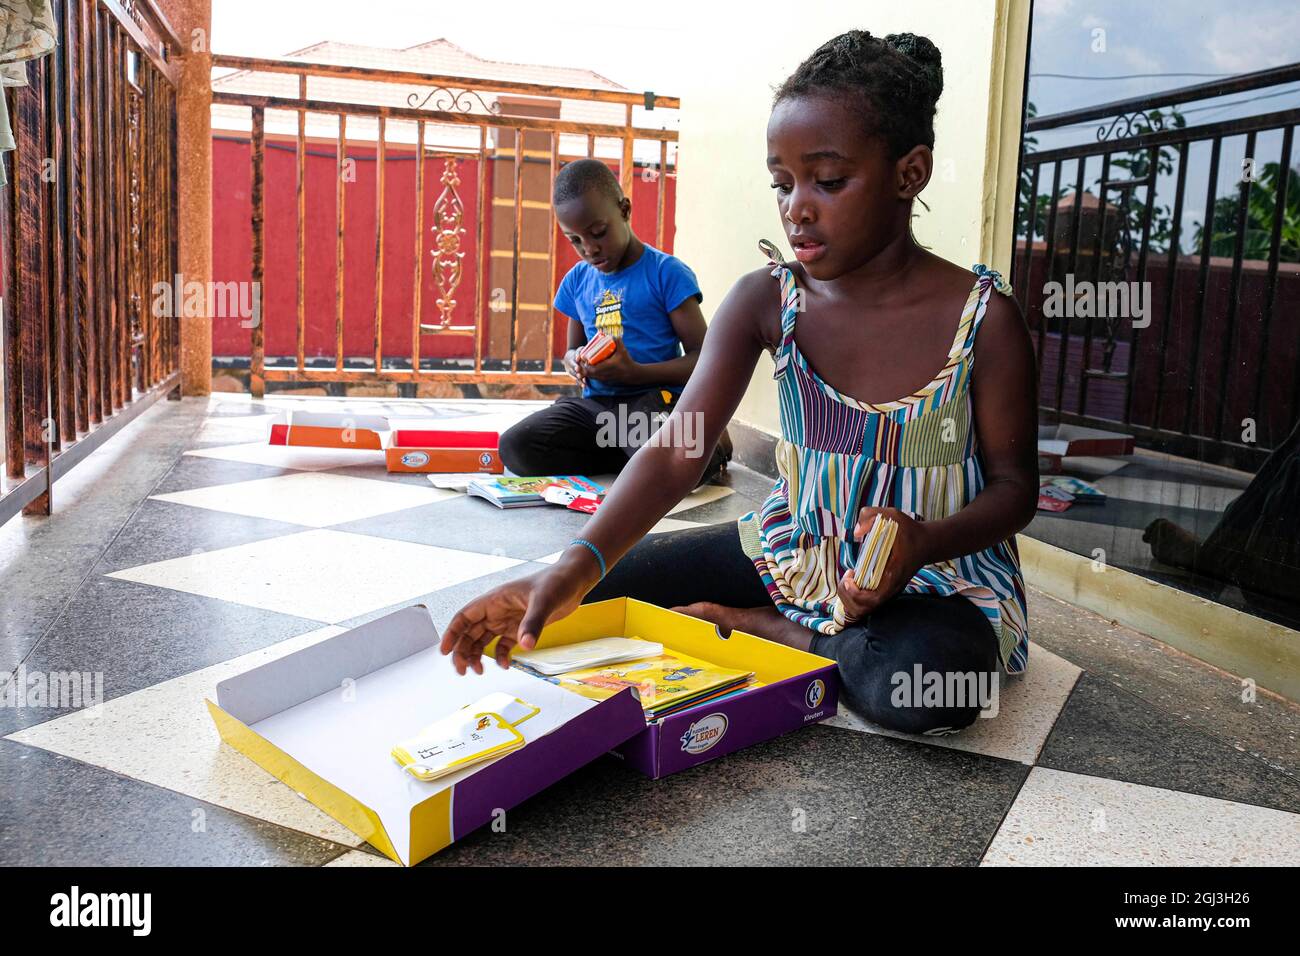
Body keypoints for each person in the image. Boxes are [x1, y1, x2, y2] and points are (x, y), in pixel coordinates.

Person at [443, 30, 1039, 735]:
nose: (797, 207)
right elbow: (677, 448)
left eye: (828, 180)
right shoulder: (767, 300)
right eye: (783, 184)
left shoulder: (983, 319)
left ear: (909, 174)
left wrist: (923, 541)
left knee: (933, 687)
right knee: (608, 586)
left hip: (936, 572)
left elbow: (1014, 491)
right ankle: (778, 617)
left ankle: (784, 634)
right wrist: (573, 569)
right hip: (796, 546)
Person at [498, 158, 730, 482]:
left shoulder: (665, 273)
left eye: (598, 233)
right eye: (575, 240)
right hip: (596, 410)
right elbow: (570, 350)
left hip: (653, 401)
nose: (589, 249)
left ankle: (710, 446)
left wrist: (635, 373)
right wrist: (574, 362)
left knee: (671, 454)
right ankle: (633, 459)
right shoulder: (578, 280)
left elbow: (705, 361)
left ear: (624, 210)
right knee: (515, 446)